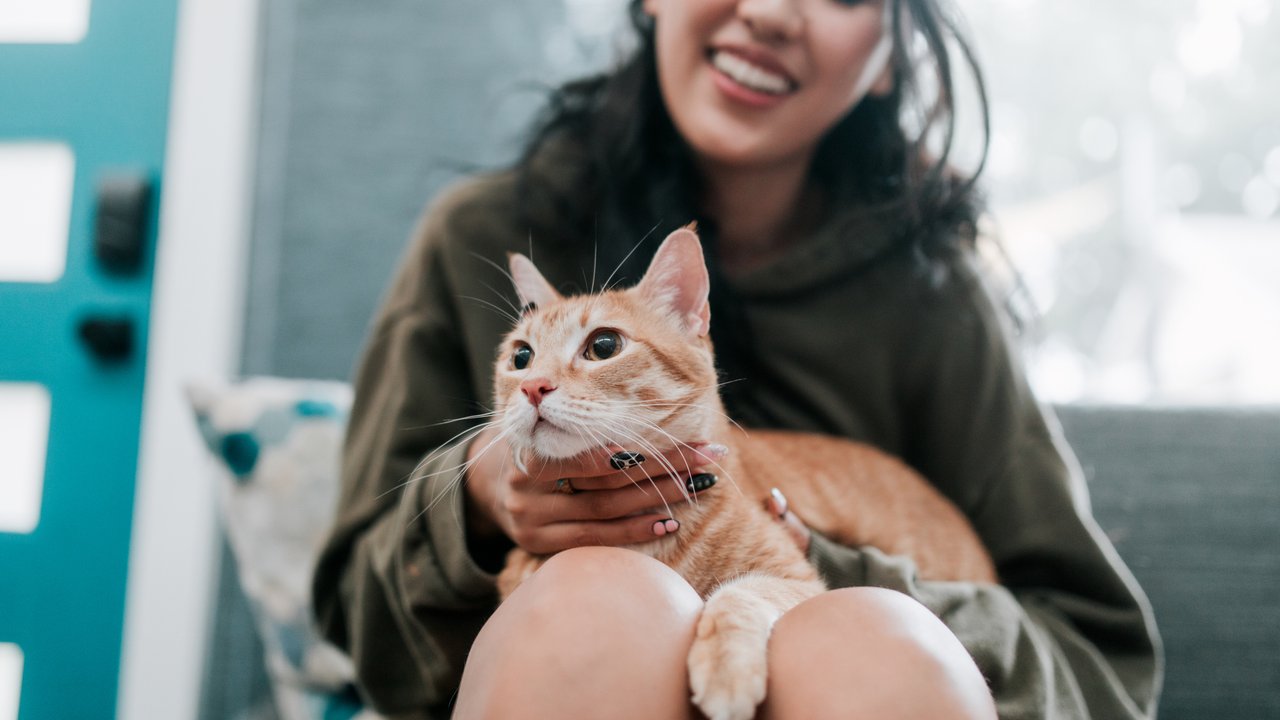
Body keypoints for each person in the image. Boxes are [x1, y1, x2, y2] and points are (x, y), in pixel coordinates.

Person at [312, 0, 1162, 717]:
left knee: (869, 646)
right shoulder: (481, 240)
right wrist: (475, 498)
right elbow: (355, 617)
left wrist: (828, 580)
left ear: (889, 60)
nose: (766, 11)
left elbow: (1097, 664)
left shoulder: (935, 300)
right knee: (591, 604)